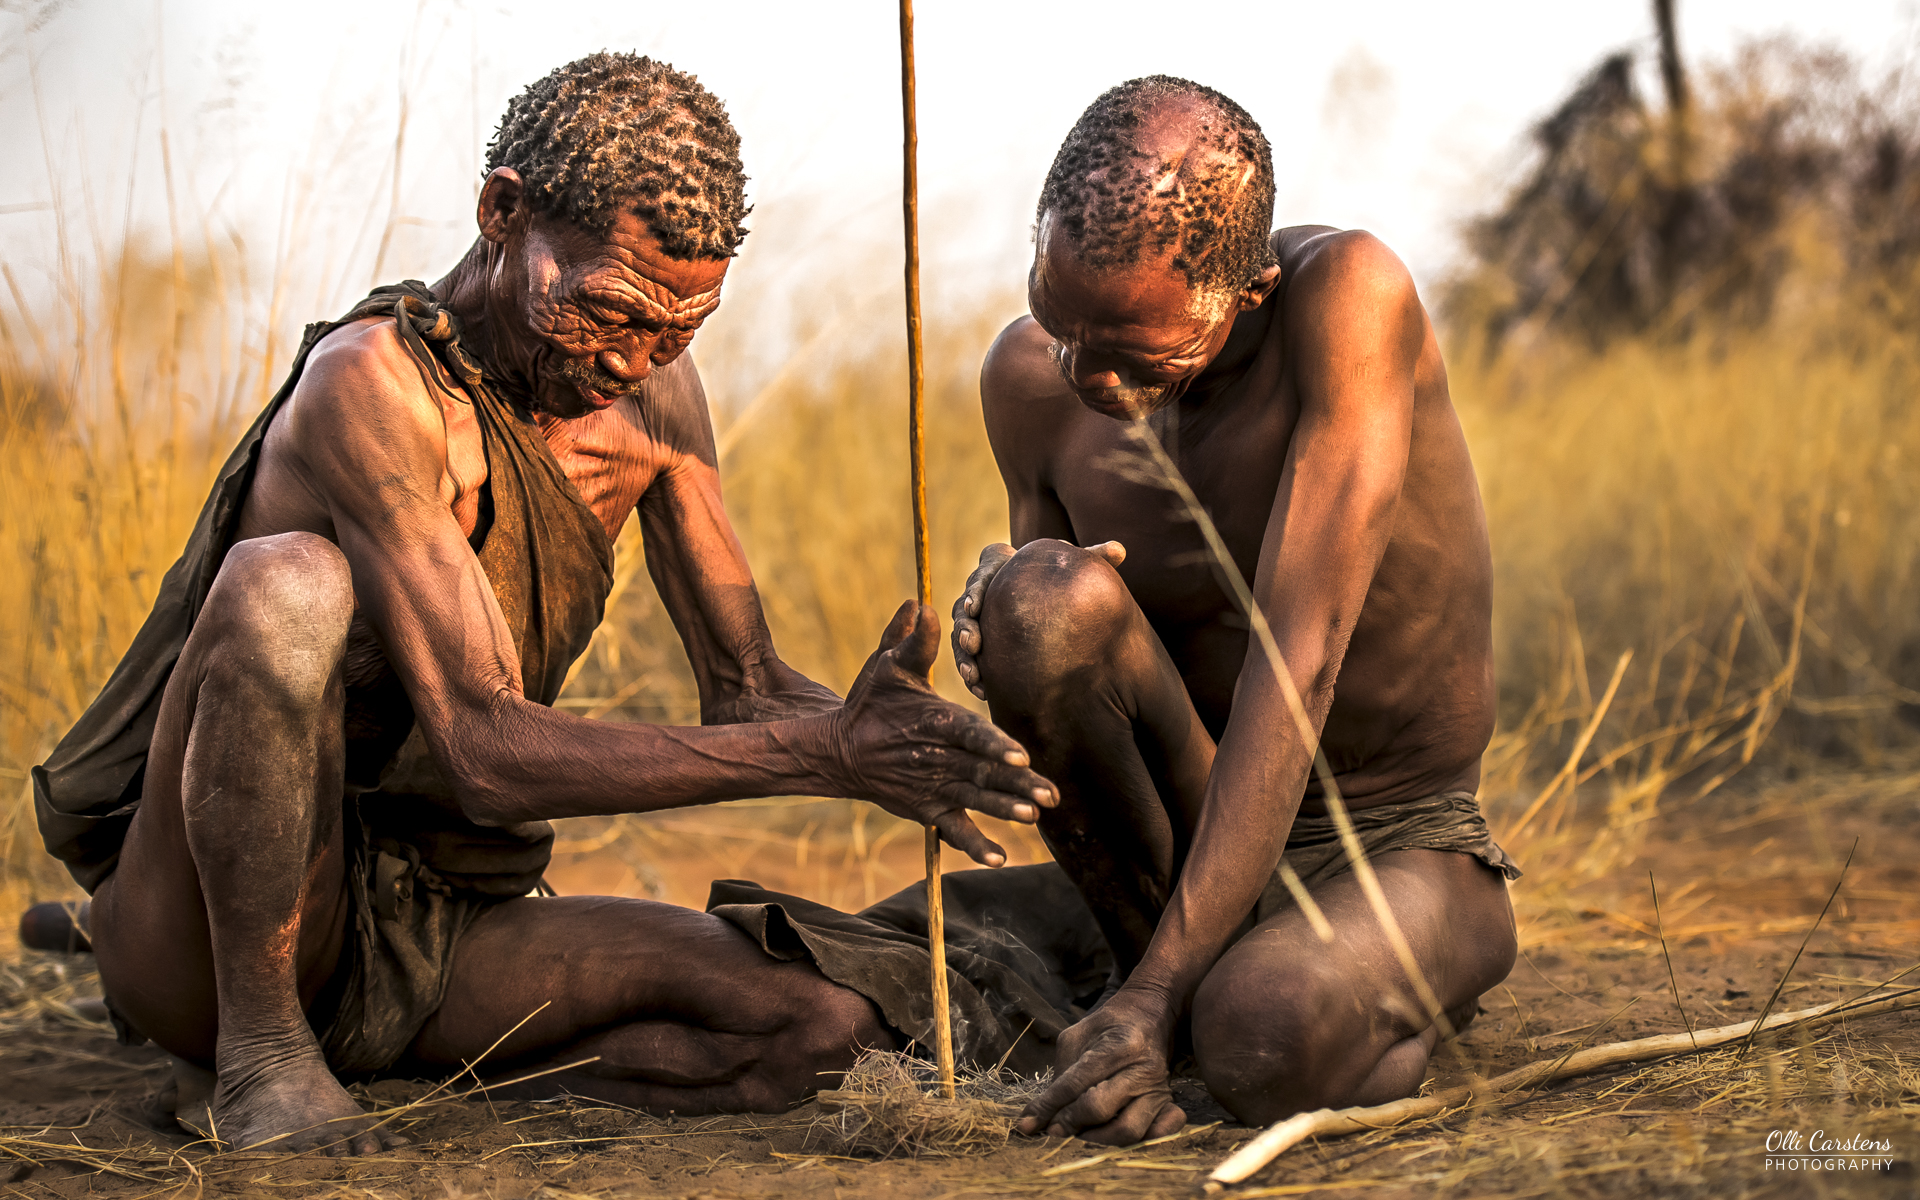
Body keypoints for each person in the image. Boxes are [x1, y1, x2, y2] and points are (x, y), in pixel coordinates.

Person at [30, 52, 1054, 1157]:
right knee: (286, 586)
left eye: (680, 329)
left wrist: (903, 743)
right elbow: (485, 745)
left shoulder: (654, 389)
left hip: (444, 923)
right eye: (610, 311)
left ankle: (396, 1069)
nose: (633, 360)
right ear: (503, 212)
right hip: (227, 940)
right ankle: (261, 1057)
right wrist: (827, 757)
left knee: (818, 1026)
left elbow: (747, 692)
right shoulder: (372, 390)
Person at [949, 75, 1520, 1144]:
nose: (1087, 378)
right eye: (1056, 321)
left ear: (1249, 293)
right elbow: (1065, 720)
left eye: (1136, 356)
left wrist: (1159, 1002)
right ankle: (1146, 975)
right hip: (1185, 827)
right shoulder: (1028, 383)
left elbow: (1297, 664)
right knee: (1038, 598)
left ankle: (1212, 991)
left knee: (1260, 1036)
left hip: (1385, 838)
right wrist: (998, 631)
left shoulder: (1346, 300)